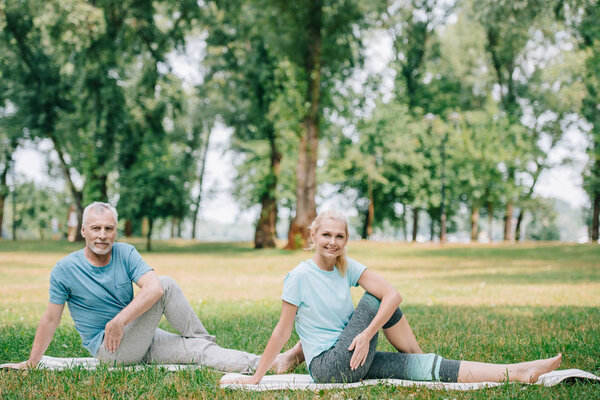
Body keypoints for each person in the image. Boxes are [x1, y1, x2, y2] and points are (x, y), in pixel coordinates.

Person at [224, 210, 562, 385]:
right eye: (325, 235)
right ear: (313, 236)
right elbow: (282, 332)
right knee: (374, 300)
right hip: (329, 367)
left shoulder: (347, 266)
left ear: (346, 239)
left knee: (421, 366)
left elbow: (395, 295)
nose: (332, 242)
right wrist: (256, 377)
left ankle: (516, 372)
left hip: (351, 355)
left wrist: (368, 333)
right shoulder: (298, 276)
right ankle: (412, 349)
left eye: (339, 236)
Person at [5, 201, 299, 373]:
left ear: (115, 231)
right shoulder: (65, 270)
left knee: (197, 350)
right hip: (110, 350)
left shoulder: (126, 252)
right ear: (83, 231)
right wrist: (32, 362)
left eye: (109, 228)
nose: (103, 235)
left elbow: (151, 289)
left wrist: (121, 319)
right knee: (166, 285)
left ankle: (270, 364)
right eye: (96, 228)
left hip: (136, 335)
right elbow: (50, 319)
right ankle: (202, 338)